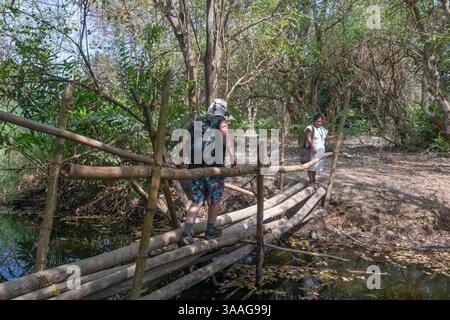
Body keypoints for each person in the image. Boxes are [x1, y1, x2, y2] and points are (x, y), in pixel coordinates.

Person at [181, 99, 237, 245]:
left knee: (197, 201)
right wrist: (233, 156)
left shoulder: (197, 121)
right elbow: (225, 134)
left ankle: (186, 233)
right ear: (222, 111)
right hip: (213, 168)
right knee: (215, 199)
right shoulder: (221, 121)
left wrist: (179, 160)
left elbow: (186, 142)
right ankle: (210, 231)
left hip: (195, 168)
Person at [304, 114, 336, 185]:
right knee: (311, 166)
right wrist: (312, 147)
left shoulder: (322, 129)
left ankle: (314, 179)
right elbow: (308, 138)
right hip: (313, 150)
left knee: (316, 166)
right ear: (314, 121)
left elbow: (326, 138)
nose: (319, 123)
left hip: (320, 151)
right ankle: (311, 180)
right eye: (317, 121)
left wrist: (336, 136)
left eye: (320, 121)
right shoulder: (310, 128)